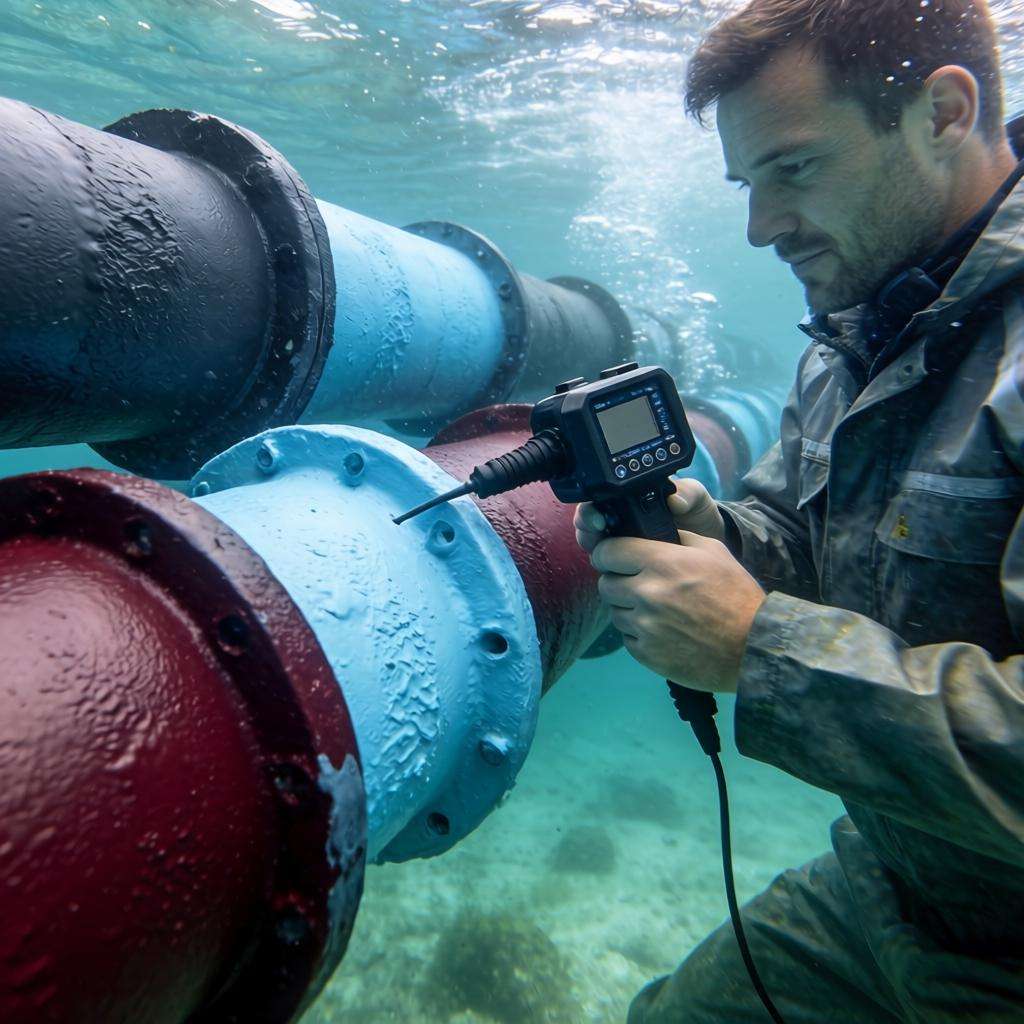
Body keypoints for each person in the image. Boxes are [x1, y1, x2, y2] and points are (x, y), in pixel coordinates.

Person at [574, 1, 1024, 1021]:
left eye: (794, 169)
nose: (761, 226)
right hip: (893, 882)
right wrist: (716, 534)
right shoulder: (859, 324)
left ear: (944, 114)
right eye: (748, 184)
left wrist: (758, 650)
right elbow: (800, 535)